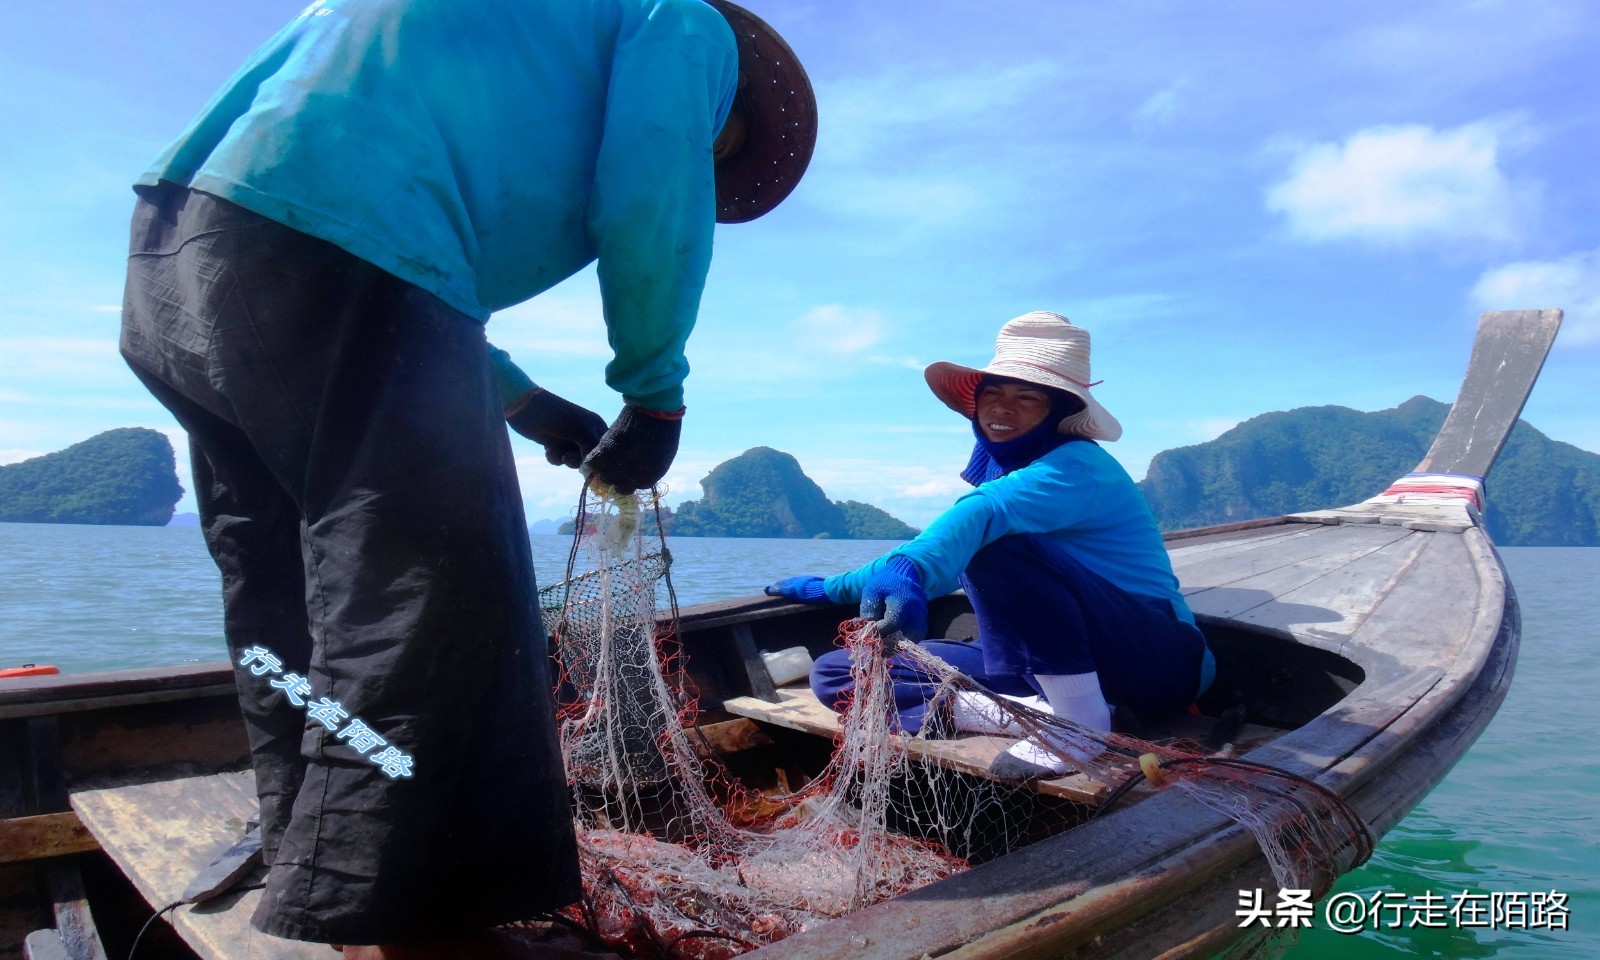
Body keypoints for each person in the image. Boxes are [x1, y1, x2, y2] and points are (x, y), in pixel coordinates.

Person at [118, 0, 815, 955]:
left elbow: (337, 246)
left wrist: (528, 406)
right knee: (435, 604)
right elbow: (652, 187)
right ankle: (407, 927)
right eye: (719, 145)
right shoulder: (684, 23)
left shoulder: (491, 35)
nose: (708, 156)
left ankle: (305, 853)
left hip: (177, 260)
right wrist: (655, 397)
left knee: (281, 591)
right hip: (339, 252)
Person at [766, 312, 1214, 781]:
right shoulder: (1006, 475)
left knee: (997, 547)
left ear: (1059, 413)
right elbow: (932, 552)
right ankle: (1049, 710)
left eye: (1027, 397)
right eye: (993, 394)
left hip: (1156, 661)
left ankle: (1080, 726)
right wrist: (829, 588)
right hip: (1057, 668)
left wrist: (906, 567)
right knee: (841, 673)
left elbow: (980, 518)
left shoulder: (1078, 466)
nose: (1003, 409)